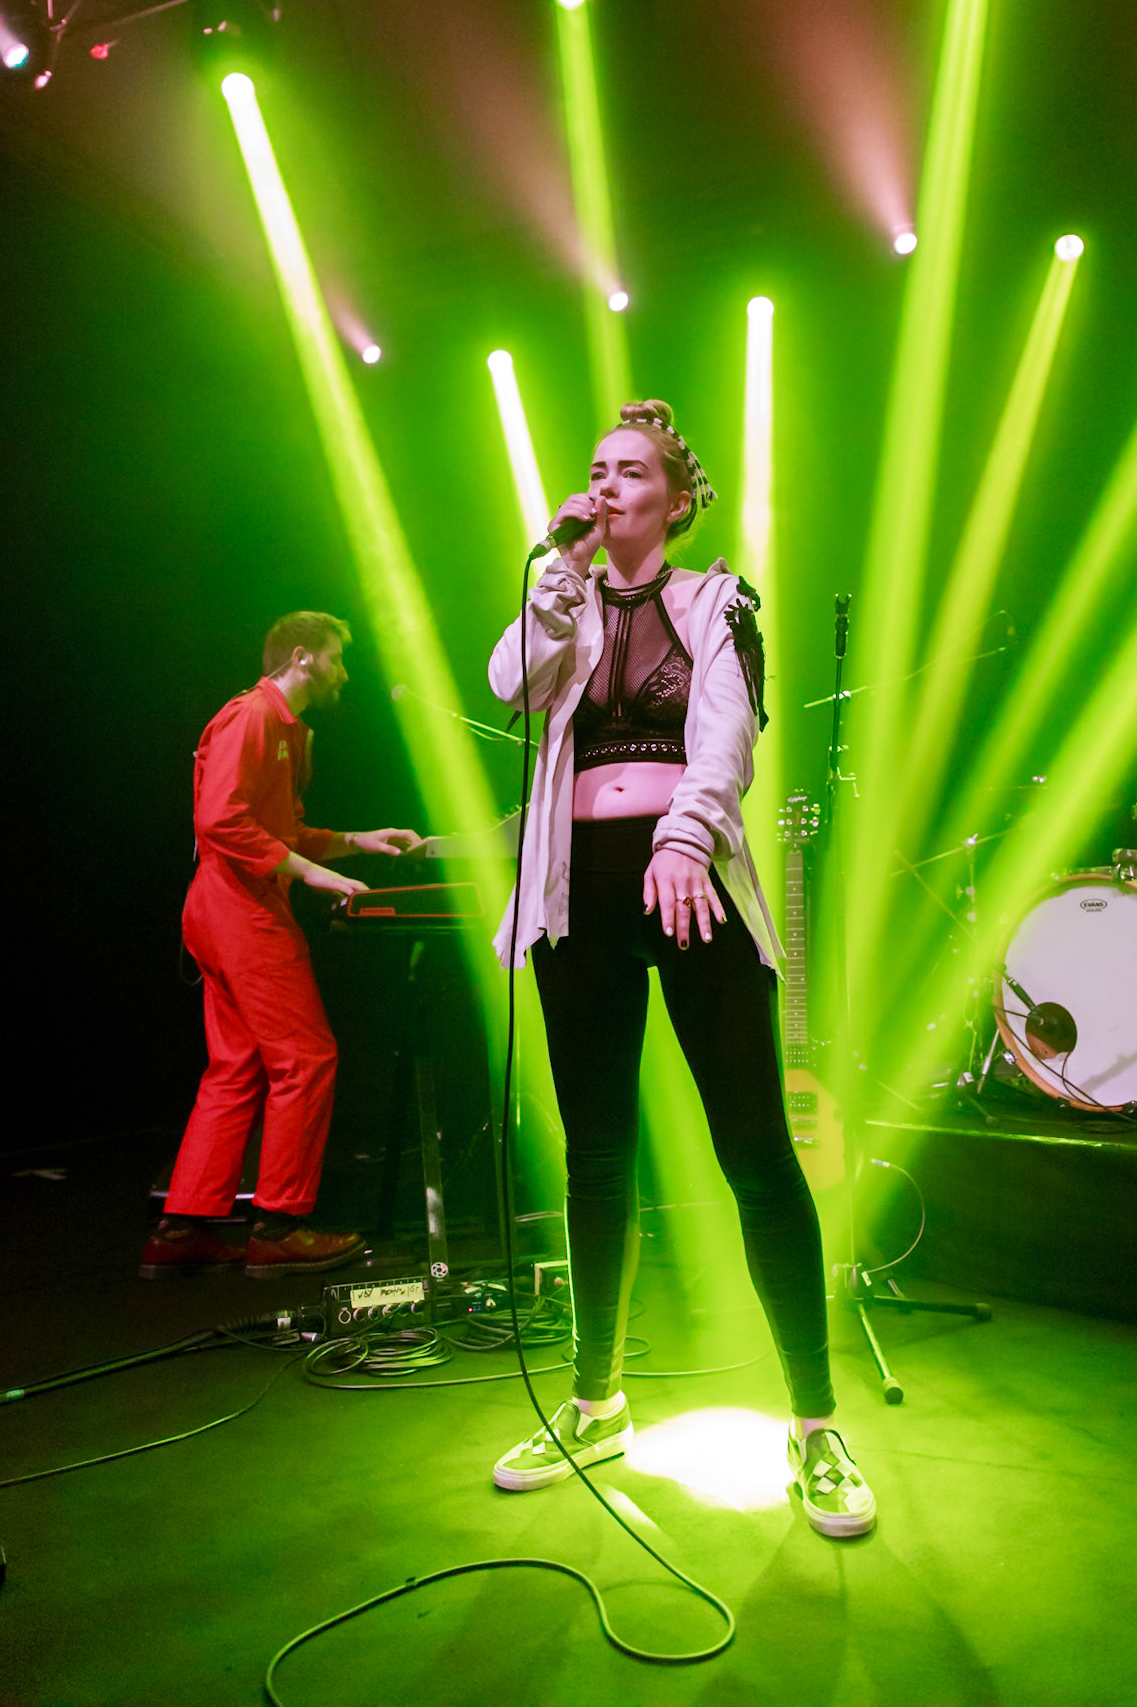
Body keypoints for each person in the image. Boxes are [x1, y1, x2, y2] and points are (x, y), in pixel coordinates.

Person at [485, 400, 875, 1539]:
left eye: (631, 473)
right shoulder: (560, 593)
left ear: (676, 497)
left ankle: (814, 1421)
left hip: (686, 870)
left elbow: (730, 730)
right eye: (595, 471)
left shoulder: (718, 598)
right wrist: (556, 567)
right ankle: (594, 1397)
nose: (607, 487)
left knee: (755, 1143)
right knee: (597, 1147)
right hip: (579, 885)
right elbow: (515, 680)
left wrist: (684, 831)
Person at [141, 612, 423, 1281]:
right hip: (238, 909)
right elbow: (220, 820)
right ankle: (278, 1227)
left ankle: (184, 1231)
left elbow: (283, 829)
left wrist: (355, 842)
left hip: (225, 907)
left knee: (235, 1066)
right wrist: (314, 874)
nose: (344, 674)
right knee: (306, 1057)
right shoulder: (254, 717)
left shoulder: (289, 732)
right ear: (302, 658)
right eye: (336, 659)